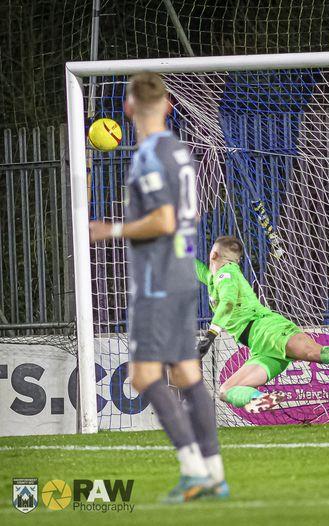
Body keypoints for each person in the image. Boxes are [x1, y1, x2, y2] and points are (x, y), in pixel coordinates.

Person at [89, 72, 227, 503]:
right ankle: (214, 474)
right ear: (169, 105)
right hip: (183, 271)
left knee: (144, 374)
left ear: (128, 109)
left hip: (158, 279)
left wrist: (112, 229)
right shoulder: (181, 153)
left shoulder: (149, 155)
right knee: (187, 373)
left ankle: (193, 470)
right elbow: (187, 217)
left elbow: (164, 220)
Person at [196, 236, 329, 413]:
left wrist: (211, 335)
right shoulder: (215, 278)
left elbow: (229, 303)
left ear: (214, 255)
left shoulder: (227, 274)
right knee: (226, 390)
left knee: (317, 353)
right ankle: (258, 398)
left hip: (266, 330)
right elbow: (195, 269)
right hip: (260, 348)